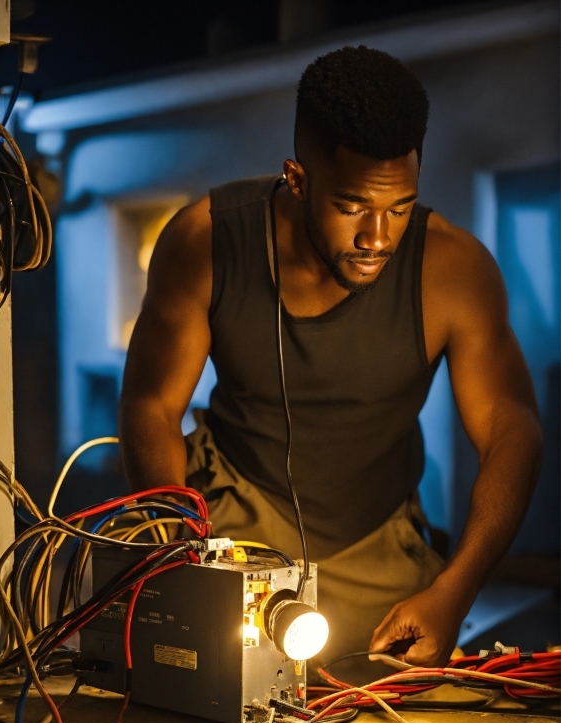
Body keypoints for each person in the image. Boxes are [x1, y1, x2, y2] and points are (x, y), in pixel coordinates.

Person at [120, 45, 541, 678]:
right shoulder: (205, 242)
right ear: (297, 180)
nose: (378, 238)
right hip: (229, 527)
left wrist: (458, 589)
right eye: (352, 207)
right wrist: (180, 547)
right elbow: (151, 403)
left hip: (378, 540)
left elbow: (513, 428)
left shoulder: (454, 269)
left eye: (398, 207)